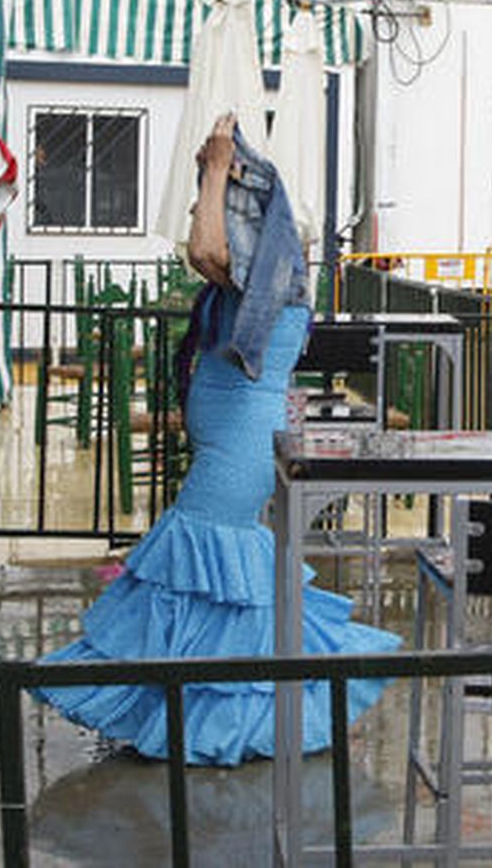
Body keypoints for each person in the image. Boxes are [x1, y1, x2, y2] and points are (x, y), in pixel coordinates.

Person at [35, 113, 399, 766]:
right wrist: (213, 169)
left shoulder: (278, 277)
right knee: (216, 587)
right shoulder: (260, 281)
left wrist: (218, 167)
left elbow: (204, 248)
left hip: (240, 447)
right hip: (230, 440)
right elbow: (204, 249)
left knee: (198, 564)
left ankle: (220, 719)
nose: (212, 222)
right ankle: (215, 712)